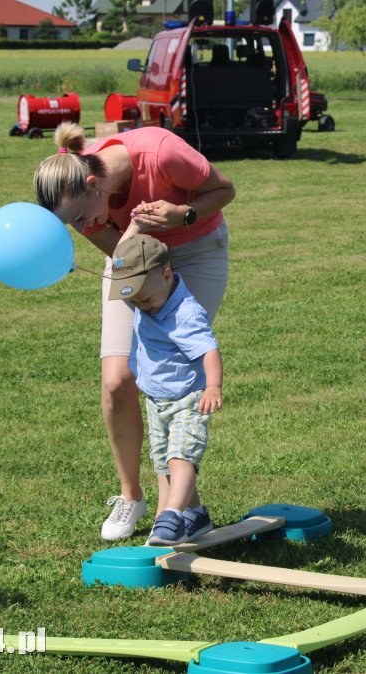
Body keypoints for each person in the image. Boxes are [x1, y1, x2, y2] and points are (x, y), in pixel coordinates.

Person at [34, 122, 235, 540]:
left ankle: (173, 513)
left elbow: (225, 190)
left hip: (196, 248)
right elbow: (124, 256)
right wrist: (135, 234)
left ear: (94, 184)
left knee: (169, 382)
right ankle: (133, 496)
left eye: (77, 217)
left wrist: (182, 213)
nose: (80, 226)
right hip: (135, 260)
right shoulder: (86, 209)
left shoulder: (162, 153)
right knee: (116, 380)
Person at [107, 230, 222, 545]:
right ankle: (195, 516)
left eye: (143, 299)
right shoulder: (150, 301)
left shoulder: (185, 314)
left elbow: (209, 350)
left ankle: (170, 515)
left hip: (189, 397)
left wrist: (213, 386)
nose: (140, 306)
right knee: (163, 461)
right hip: (156, 399)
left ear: (167, 275)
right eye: (133, 300)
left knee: (181, 455)